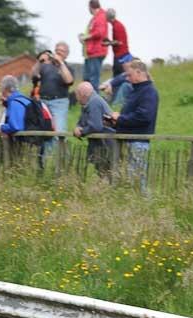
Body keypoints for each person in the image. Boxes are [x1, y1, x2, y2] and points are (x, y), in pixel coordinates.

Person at [109, 59, 159, 194]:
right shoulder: (136, 91)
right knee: (132, 179)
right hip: (131, 140)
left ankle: (143, 207)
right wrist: (116, 121)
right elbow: (133, 115)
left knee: (137, 180)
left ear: (139, 73)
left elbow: (143, 117)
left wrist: (120, 118)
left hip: (138, 141)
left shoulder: (149, 92)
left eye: (130, 75)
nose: (128, 78)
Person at [31, 42, 74, 134]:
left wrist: (60, 63)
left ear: (66, 54)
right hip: (43, 102)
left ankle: (59, 148)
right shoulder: (45, 66)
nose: (58, 53)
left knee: (59, 131)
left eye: (61, 51)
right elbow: (34, 74)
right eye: (57, 50)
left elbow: (69, 81)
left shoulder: (68, 67)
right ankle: (46, 149)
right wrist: (39, 61)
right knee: (43, 130)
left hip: (59, 103)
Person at [73, 81, 115, 177]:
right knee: (104, 173)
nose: (76, 98)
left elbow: (96, 126)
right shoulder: (89, 103)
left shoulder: (94, 103)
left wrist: (82, 132)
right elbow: (83, 121)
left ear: (82, 94)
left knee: (106, 173)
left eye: (77, 94)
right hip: (102, 143)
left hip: (105, 143)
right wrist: (78, 127)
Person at [79, 0, 108, 92]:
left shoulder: (101, 16)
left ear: (91, 6)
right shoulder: (95, 18)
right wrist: (83, 37)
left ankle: (95, 103)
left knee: (93, 80)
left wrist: (86, 37)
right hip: (91, 52)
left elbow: (100, 32)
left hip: (96, 52)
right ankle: (88, 101)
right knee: (87, 79)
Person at [105, 9, 130, 77]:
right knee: (120, 76)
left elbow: (119, 42)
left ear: (108, 17)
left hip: (121, 56)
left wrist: (108, 43)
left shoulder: (116, 26)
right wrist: (109, 41)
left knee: (118, 76)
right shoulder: (117, 24)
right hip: (123, 54)